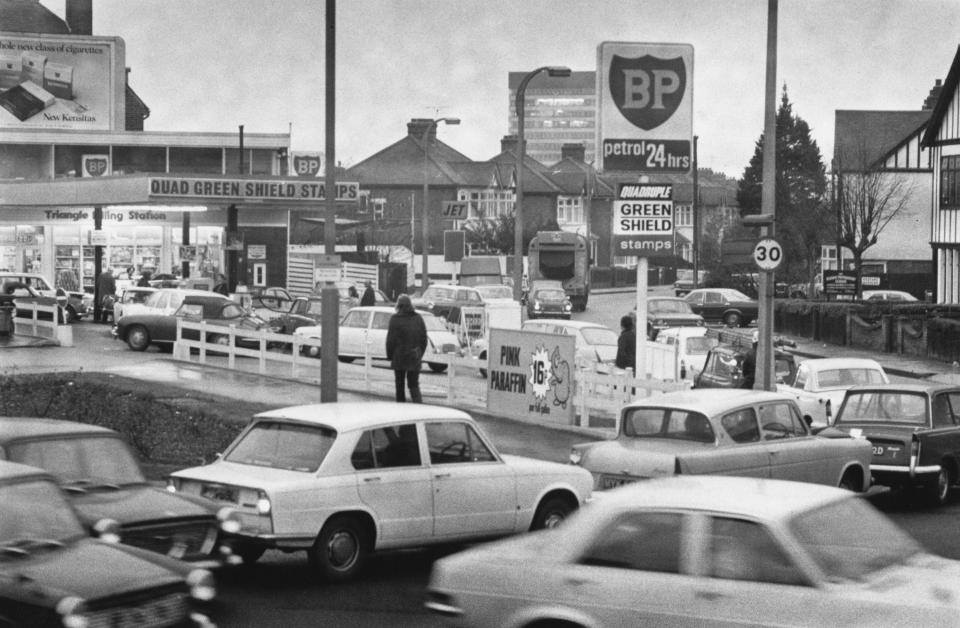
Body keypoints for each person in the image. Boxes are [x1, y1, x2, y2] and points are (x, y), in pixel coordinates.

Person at [385, 294, 428, 403]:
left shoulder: (395, 319)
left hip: (399, 357)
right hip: (414, 356)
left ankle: (402, 411)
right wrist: (419, 353)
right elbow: (424, 339)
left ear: (398, 306)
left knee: (399, 386)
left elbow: (390, 340)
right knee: (414, 385)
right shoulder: (418, 318)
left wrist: (390, 356)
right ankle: (419, 409)